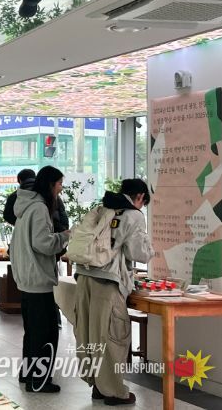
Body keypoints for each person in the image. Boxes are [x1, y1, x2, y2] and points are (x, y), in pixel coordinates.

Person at [74, 179, 153, 406]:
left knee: (88, 333)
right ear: (140, 197)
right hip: (107, 281)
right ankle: (114, 392)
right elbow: (138, 253)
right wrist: (151, 249)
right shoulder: (133, 214)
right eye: (143, 202)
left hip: (84, 276)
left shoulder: (103, 208)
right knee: (110, 336)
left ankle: (97, 386)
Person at [10, 165, 70, 393]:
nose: (61, 188)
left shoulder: (26, 205)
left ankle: (28, 375)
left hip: (28, 278)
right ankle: (40, 380)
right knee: (46, 334)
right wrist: (64, 236)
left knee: (33, 332)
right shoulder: (39, 208)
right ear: (50, 184)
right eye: (59, 183)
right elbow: (42, 243)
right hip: (38, 279)